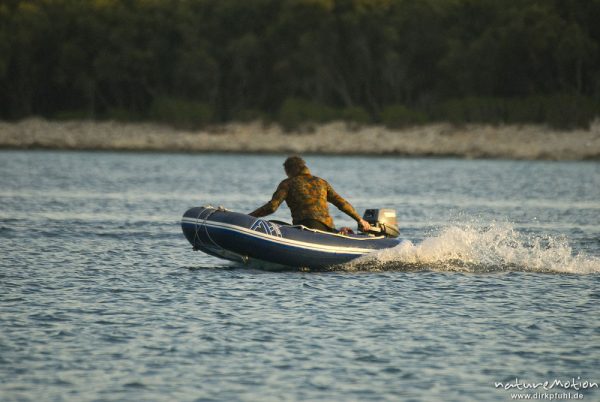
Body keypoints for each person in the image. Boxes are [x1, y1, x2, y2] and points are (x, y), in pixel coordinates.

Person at [249, 156, 371, 233]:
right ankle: (338, 233)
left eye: (286, 171)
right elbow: (341, 203)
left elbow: (272, 207)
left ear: (290, 170)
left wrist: (249, 217)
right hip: (327, 228)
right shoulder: (321, 182)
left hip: (307, 227)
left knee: (272, 223)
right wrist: (360, 219)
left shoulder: (288, 183)